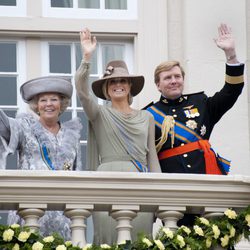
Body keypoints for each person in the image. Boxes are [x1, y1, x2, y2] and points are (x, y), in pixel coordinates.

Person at [146, 23, 244, 229]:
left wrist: (231, 55)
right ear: (158, 84)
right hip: (174, 193)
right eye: (167, 78)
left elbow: (231, 91)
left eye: (177, 76)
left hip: (207, 185)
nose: (174, 81)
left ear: (183, 79)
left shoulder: (201, 104)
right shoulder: (148, 115)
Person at [75, 28, 161, 244]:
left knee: (140, 239)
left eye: (122, 80)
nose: (118, 85)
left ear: (130, 86)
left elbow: (152, 158)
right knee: (108, 239)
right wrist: (86, 58)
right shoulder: (99, 113)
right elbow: (83, 93)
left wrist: (161, 192)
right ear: (106, 88)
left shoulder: (146, 117)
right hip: (106, 178)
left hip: (140, 180)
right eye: (112, 81)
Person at [0, 76, 82, 240]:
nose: (48, 104)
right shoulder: (24, 127)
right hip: (29, 208)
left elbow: (77, 174)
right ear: (36, 106)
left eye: (54, 99)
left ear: (62, 104)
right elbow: (3, 125)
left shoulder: (72, 136)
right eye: (43, 100)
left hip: (61, 214)